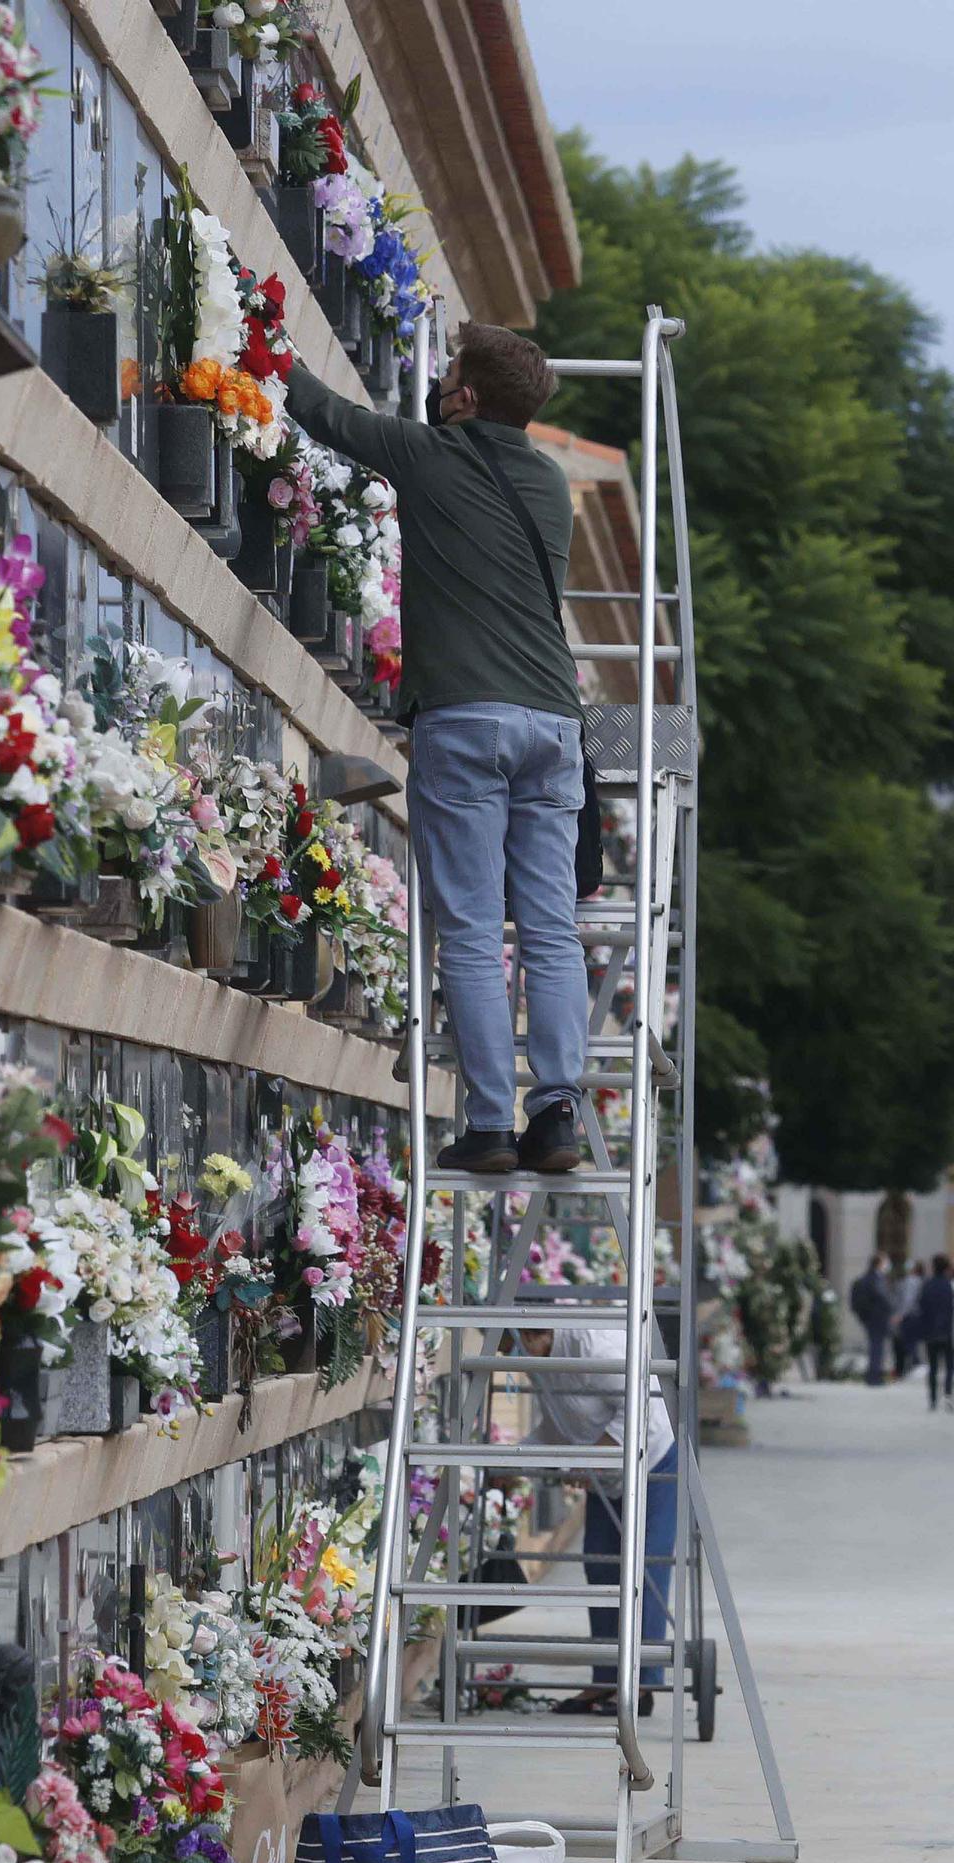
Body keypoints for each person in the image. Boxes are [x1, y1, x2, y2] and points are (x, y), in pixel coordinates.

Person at [285, 326, 588, 1178]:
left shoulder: (430, 456)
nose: (441, 383)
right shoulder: (551, 484)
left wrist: (265, 337)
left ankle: (491, 1124)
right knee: (551, 931)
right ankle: (557, 1114)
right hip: (554, 727)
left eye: (450, 374)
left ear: (468, 398)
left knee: (468, 929)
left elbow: (325, 414)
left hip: (466, 724)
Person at [510, 1326, 676, 1716]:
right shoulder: (542, 1361)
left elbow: (640, 1410)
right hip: (607, 1475)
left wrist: (588, 1458)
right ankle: (605, 1679)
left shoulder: (597, 1348)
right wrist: (509, 1462)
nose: (508, 1357)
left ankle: (639, 1684)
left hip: (653, 1464)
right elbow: (556, 1429)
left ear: (536, 1335)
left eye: (509, 1344)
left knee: (645, 1569)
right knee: (601, 1569)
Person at [917, 1254, 954, 1411]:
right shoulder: (949, 1285)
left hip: (930, 1331)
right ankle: (947, 1395)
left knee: (932, 1367)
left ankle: (932, 1400)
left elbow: (921, 1306)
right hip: (948, 1332)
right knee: (949, 1367)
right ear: (946, 1268)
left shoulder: (927, 1285)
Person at [849, 1254, 892, 1386]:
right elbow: (881, 1297)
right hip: (877, 1318)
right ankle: (874, 1376)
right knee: (877, 1347)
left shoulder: (867, 1278)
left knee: (875, 1346)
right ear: (879, 1263)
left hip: (870, 1318)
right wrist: (890, 1307)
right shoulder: (875, 1279)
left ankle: (873, 1374)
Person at [893, 1259, 925, 1377]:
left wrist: (900, 1315)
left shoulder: (911, 1281)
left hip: (909, 1317)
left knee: (908, 1342)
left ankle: (915, 1365)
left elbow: (908, 1300)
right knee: (911, 1342)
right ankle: (912, 1365)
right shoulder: (917, 1281)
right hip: (913, 1316)